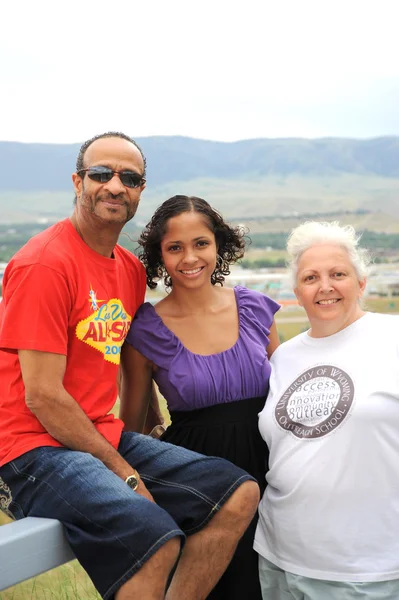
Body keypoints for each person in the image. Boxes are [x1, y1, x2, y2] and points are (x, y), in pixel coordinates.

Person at [0, 133, 260, 600]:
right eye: (101, 174)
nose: (115, 186)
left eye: (130, 177)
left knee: (237, 494)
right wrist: (126, 474)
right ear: (78, 181)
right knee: (150, 536)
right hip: (30, 445)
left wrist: (149, 427)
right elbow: (42, 396)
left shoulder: (128, 269)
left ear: (141, 190)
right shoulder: (45, 264)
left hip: (98, 433)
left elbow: (114, 358)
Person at [120, 195, 280, 599]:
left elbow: (290, 399)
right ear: (160, 255)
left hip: (274, 471)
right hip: (199, 483)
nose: (190, 257)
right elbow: (130, 423)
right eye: (175, 247)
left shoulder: (258, 309)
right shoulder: (145, 329)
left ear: (219, 245)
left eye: (201, 243)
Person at [254, 221, 399, 600]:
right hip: (279, 556)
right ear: (298, 292)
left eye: (338, 274)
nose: (325, 286)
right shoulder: (284, 356)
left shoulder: (392, 338)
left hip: (366, 567)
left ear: (361, 282)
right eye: (310, 277)